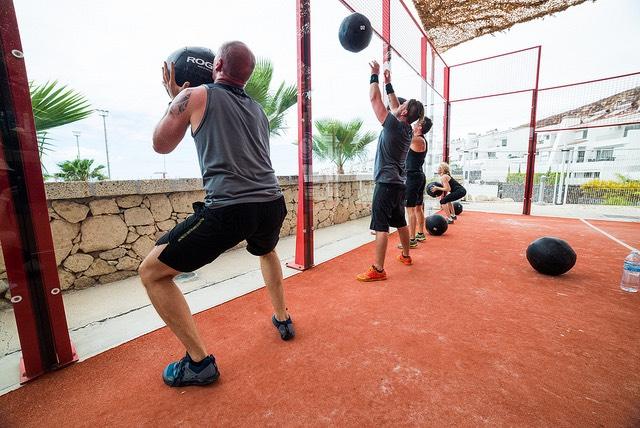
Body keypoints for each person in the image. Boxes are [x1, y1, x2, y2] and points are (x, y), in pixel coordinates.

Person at [139, 41, 294, 388]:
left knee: (151, 272)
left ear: (217, 64)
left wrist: (174, 95)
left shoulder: (194, 95)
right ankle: (283, 318)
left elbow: (160, 144)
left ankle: (199, 364)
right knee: (266, 250)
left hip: (229, 209)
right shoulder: (259, 111)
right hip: (271, 204)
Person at [357, 61, 424, 282]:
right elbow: (395, 106)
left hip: (385, 184)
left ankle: (378, 269)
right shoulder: (406, 129)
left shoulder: (394, 125)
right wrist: (388, 83)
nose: (398, 106)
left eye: (402, 107)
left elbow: (374, 101)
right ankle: (406, 255)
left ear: (404, 112)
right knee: (401, 222)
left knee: (381, 226)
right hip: (398, 184)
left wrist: (374, 76)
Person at [399, 116, 432, 248]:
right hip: (417, 176)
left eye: (416, 123)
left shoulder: (417, 140)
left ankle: (411, 240)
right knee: (418, 207)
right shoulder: (420, 140)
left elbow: (403, 138)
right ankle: (420, 233)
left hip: (412, 177)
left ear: (420, 127)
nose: (413, 125)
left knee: (410, 209)